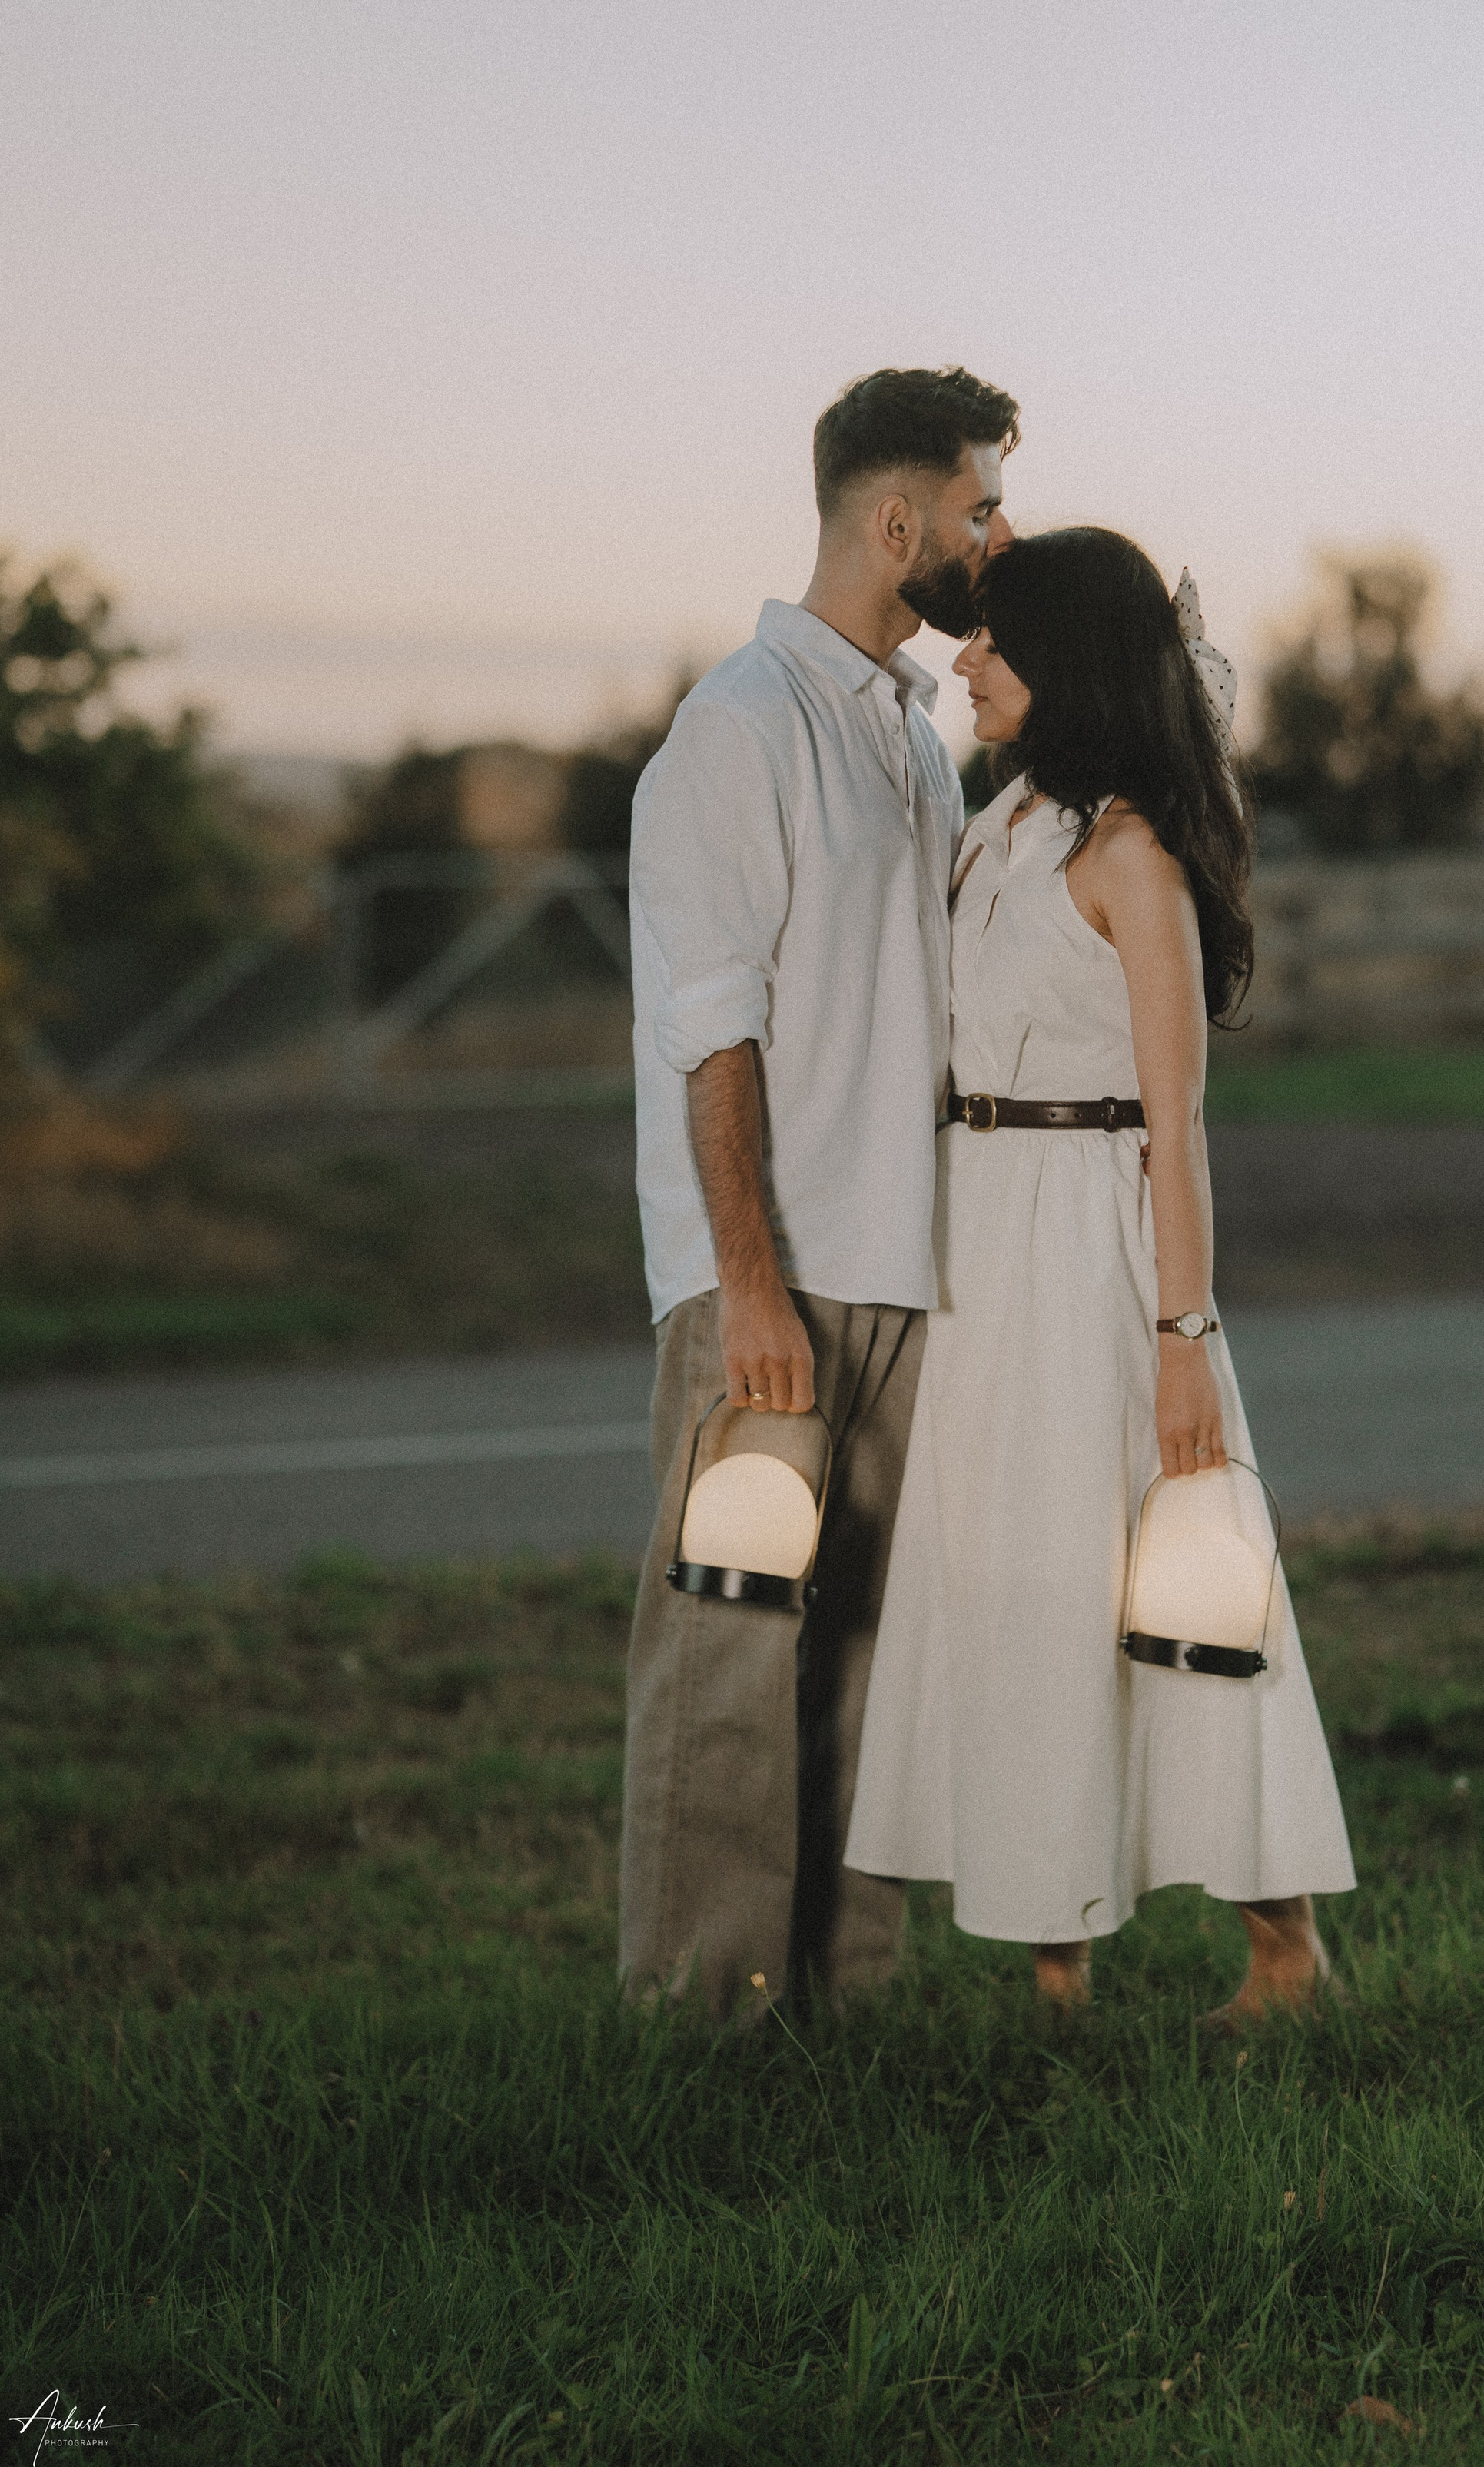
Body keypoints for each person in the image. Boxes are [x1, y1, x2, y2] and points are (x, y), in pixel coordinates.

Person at [845, 526, 1355, 2018]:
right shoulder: (994, 827)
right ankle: (1049, 1956)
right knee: (1009, 1589)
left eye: (996, 639)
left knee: (1171, 1592)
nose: (964, 658)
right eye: (968, 633)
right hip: (983, 1241)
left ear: (1066, 660)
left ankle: (1282, 1949)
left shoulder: (1131, 853)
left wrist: (1181, 1336)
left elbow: (1175, 1122)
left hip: (1098, 1252)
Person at [621, 364, 1021, 2020]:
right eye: (985, 506)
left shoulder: (916, 736)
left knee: (864, 1656)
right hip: (768, 1283)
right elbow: (708, 1031)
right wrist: (750, 1281)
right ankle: (700, 2030)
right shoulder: (735, 729)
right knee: (729, 1655)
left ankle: (843, 2010)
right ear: (895, 519)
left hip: (904, 1270)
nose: (1001, 536)